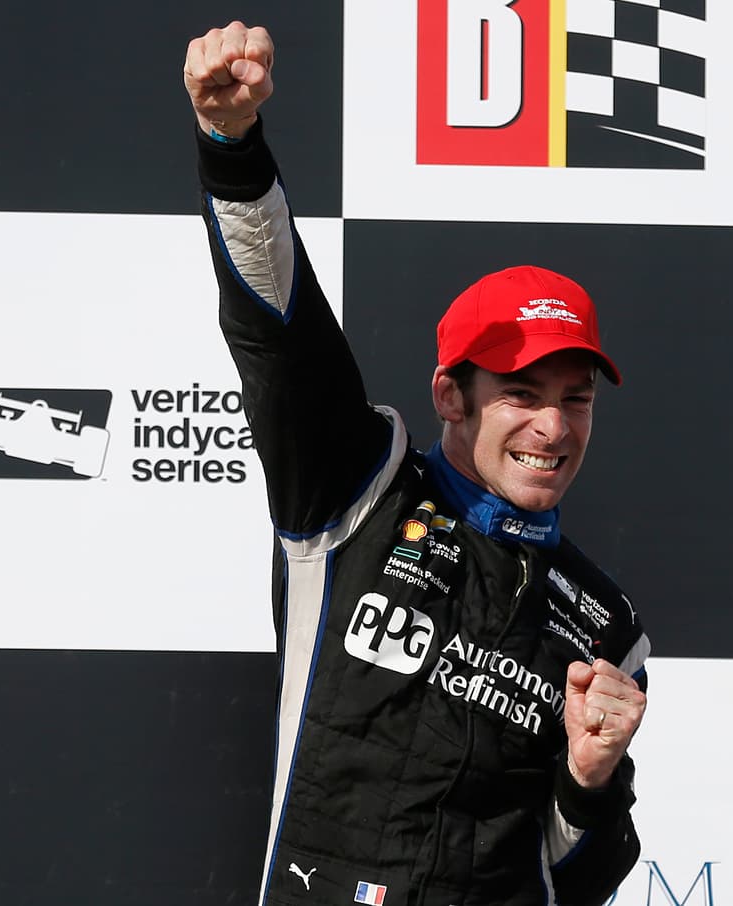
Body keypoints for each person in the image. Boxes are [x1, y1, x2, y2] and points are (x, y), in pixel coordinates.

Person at [184, 21, 650, 906]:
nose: (553, 427)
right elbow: (280, 335)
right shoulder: (359, 490)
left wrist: (590, 780)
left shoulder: (606, 621)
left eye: (577, 397)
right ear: (452, 396)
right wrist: (232, 148)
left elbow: (577, 882)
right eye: (522, 393)